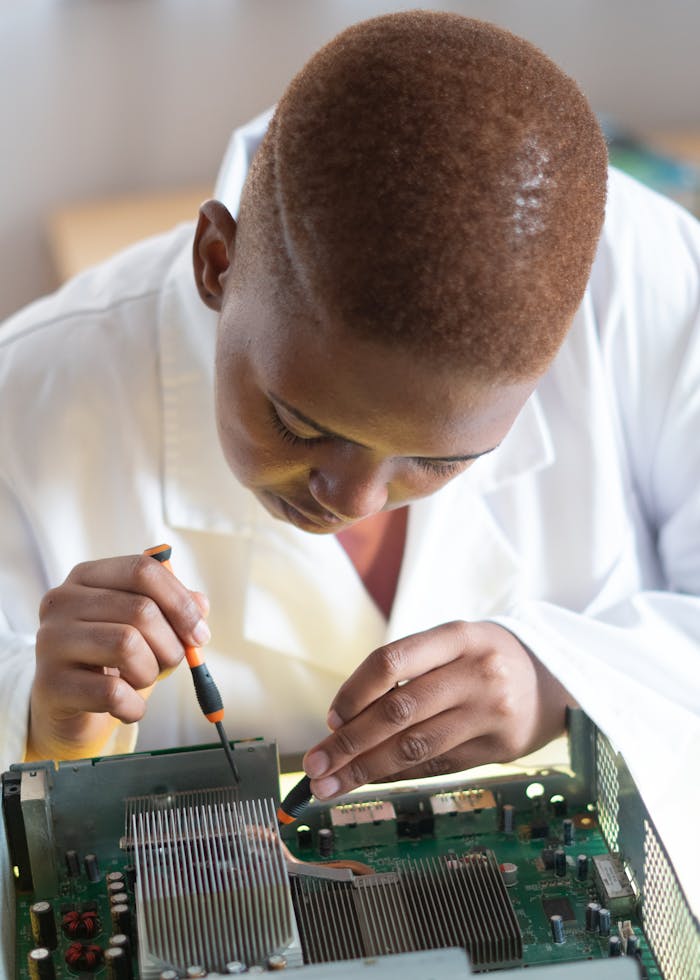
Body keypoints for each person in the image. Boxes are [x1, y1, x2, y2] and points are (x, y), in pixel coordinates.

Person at [0, 12, 698, 883]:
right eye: (299, 422)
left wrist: (557, 680)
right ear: (218, 261)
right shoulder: (25, 409)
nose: (353, 500)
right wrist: (47, 727)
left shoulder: (635, 278)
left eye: (444, 458)